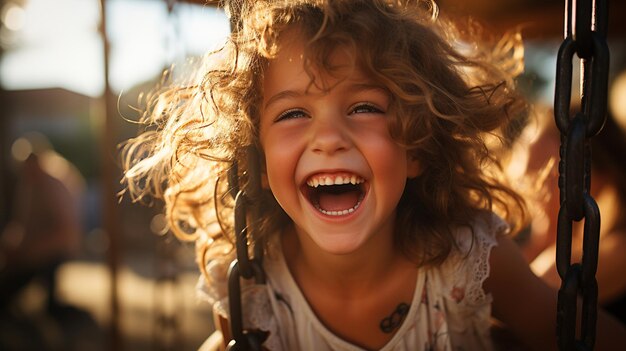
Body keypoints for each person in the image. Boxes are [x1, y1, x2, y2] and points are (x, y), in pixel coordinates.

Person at [120, 1, 626, 350]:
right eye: (293, 114)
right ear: (255, 157)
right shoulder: (251, 290)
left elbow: (582, 337)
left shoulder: (468, 258)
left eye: (363, 107)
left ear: (417, 147)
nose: (328, 138)